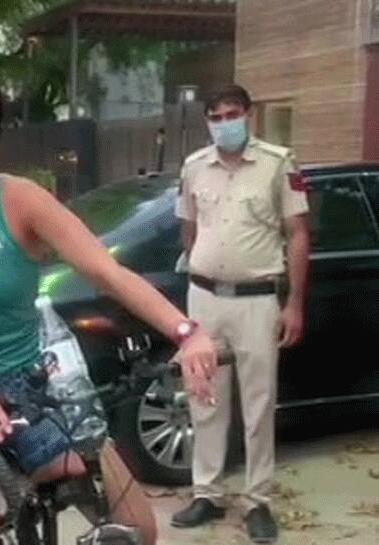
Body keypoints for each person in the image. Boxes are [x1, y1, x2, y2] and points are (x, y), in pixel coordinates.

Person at [0, 72, 222, 545]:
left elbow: (108, 272)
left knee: (138, 530)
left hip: (31, 392)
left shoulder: (19, 200)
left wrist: (187, 332)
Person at [171, 84, 310, 544]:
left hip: (257, 300)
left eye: (232, 113)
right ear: (207, 120)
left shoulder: (277, 163)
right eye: (216, 116)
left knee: (257, 404)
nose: (224, 122)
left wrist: (293, 304)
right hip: (206, 298)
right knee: (204, 397)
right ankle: (206, 493)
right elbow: (189, 230)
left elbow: (297, 235)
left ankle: (258, 502)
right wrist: (206, 272)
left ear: (249, 114)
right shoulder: (194, 167)